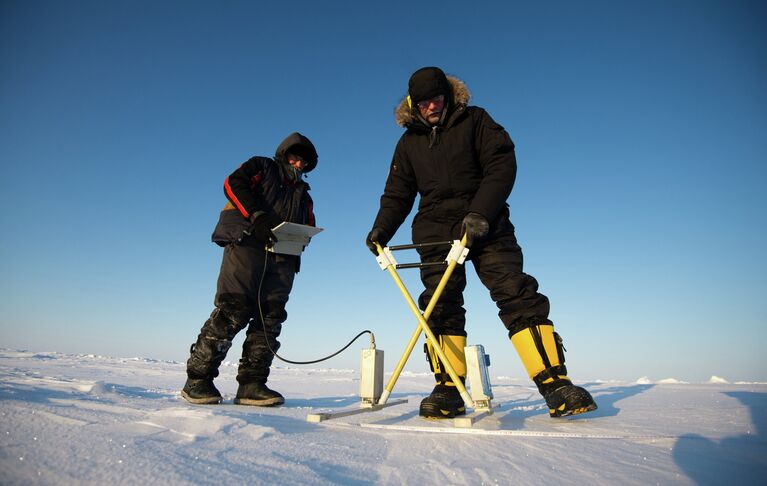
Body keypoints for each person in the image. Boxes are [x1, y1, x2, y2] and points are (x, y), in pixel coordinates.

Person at [366, 67, 597, 419]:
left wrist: (480, 212)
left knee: (515, 293)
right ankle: (448, 390)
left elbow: (501, 164)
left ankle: (555, 383)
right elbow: (397, 194)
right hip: (434, 230)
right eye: (424, 102)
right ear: (414, 105)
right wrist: (381, 230)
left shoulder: (475, 120)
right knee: (439, 306)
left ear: (448, 95)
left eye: (437, 99)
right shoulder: (408, 142)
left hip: (485, 224)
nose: (432, 107)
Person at [182, 132, 318, 406]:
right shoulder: (262, 167)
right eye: (294, 157)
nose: (299, 164)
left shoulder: (304, 195)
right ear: (283, 154)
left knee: (270, 318)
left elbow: (309, 222)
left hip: (283, 257)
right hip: (247, 244)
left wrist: (300, 241)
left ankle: (252, 384)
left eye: (304, 161)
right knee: (234, 308)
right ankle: (198, 379)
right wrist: (258, 216)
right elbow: (233, 184)